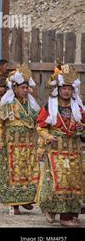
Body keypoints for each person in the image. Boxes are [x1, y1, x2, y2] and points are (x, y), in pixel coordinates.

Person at [36, 63, 84, 227]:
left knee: (75, 182)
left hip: (74, 151)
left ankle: (71, 212)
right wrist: (48, 136)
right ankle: (62, 215)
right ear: (58, 89)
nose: (66, 91)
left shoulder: (78, 107)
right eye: (64, 88)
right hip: (56, 150)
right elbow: (40, 126)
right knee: (59, 181)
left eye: (69, 89)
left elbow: (83, 125)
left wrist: (82, 127)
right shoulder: (50, 106)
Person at [0, 64, 41, 215]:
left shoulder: (32, 106)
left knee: (28, 174)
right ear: (14, 88)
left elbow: (38, 124)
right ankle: (13, 203)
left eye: (27, 88)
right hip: (11, 146)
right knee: (13, 174)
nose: (25, 91)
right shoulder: (7, 105)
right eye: (22, 88)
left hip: (28, 146)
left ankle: (26, 199)